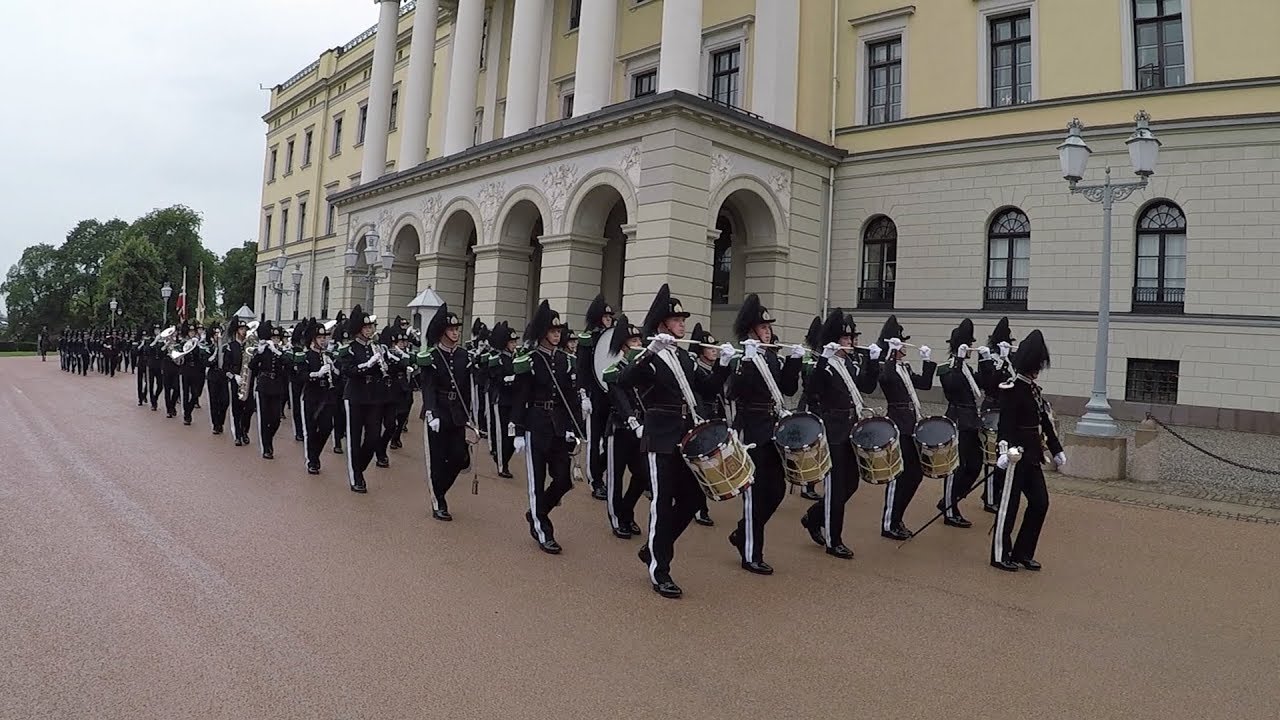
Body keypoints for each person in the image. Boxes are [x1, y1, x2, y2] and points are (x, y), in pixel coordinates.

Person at [620, 284, 733, 598]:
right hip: (660, 438)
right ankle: (660, 571)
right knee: (661, 502)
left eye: (683, 320)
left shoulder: (684, 357)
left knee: (694, 499)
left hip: (686, 438)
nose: (683, 324)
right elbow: (625, 380)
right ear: (662, 324)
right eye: (677, 320)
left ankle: (655, 547)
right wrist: (650, 352)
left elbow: (707, 389)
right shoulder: (648, 355)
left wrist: (724, 364)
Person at [726, 294, 803, 575]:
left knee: (777, 490)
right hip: (751, 428)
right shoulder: (742, 358)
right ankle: (751, 554)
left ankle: (742, 533)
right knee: (755, 494)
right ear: (751, 331)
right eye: (763, 327)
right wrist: (746, 362)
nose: (768, 331)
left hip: (772, 429)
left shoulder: (771, 356)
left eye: (769, 327)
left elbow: (788, 389)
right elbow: (734, 392)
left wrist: (794, 361)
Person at [799, 310, 881, 559]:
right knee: (835, 487)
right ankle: (834, 540)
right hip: (833, 430)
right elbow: (812, 391)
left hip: (852, 430)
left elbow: (867, 387)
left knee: (851, 483)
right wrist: (824, 360)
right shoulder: (825, 366)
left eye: (851, 338)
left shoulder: (850, 364)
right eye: (846, 338)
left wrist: (873, 362)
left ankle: (814, 516)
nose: (850, 342)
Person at [509, 300, 584, 555]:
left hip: (559, 426)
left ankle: (537, 512)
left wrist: (574, 427)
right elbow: (520, 397)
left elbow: (571, 398)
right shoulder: (530, 360)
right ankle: (544, 532)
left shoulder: (566, 360)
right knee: (537, 481)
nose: (557, 335)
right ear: (542, 333)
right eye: (552, 331)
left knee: (563, 480)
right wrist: (518, 431)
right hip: (536, 425)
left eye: (558, 331)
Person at [991, 329, 1064, 572]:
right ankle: (1000, 554)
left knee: (1040, 503)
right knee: (1008, 507)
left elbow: (1044, 423)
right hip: (1015, 454)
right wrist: (1003, 450)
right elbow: (1005, 424)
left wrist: (1056, 449)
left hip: (1032, 455)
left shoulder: (1034, 390)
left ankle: (1023, 552)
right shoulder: (1012, 388)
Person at [876, 315, 936, 541]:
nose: (904, 346)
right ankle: (889, 522)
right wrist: (890, 354)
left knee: (915, 474)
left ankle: (898, 516)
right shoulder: (885, 367)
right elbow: (887, 379)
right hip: (897, 424)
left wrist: (927, 361)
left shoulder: (905, 367)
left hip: (911, 423)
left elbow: (925, 384)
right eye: (900, 342)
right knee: (898, 475)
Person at [418, 304, 473, 521]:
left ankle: (439, 491)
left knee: (459, 457)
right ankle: (438, 501)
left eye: (457, 329)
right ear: (442, 333)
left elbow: (466, 389)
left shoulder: (463, 356)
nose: (455, 333)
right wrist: (431, 412)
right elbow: (428, 386)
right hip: (438, 411)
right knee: (438, 459)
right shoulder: (432, 356)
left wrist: (469, 416)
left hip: (456, 412)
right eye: (451, 330)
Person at [600, 316, 648, 539]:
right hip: (619, 429)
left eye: (639, 340)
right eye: (634, 341)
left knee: (643, 475)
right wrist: (631, 420)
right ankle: (616, 518)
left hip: (642, 429)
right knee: (615, 477)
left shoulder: (644, 370)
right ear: (624, 347)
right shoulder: (613, 371)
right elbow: (620, 400)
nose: (639, 344)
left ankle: (626, 510)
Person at [937, 318, 983, 529]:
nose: (971, 348)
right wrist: (957, 361)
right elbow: (952, 386)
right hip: (957, 420)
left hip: (971, 421)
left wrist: (988, 361)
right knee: (956, 467)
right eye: (969, 345)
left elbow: (985, 383)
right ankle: (949, 509)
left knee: (974, 465)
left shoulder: (967, 369)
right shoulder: (947, 368)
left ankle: (951, 499)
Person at [335, 305, 387, 493]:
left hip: (373, 395)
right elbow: (348, 371)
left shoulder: (376, 347)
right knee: (354, 438)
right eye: (366, 327)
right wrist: (367, 364)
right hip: (355, 396)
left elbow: (382, 371)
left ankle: (359, 466)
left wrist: (383, 363)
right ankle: (355, 476)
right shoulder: (349, 349)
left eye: (370, 327)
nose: (369, 330)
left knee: (373, 437)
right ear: (358, 329)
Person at [576, 295, 616, 502]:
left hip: (611, 394)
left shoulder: (613, 337)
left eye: (610, 317)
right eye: (605, 317)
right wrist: (583, 395)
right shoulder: (587, 338)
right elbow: (582, 369)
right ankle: (595, 481)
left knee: (610, 440)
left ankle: (601, 471)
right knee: (593, 440)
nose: (609, 320)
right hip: (594, 394)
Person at [977, 317, 1016, 513]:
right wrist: (1001, 363)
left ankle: (998, 492)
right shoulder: (988, 358)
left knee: (1006, 454)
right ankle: (990, 497)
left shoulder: (1010, 360)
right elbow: (990, 384)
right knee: (992, 456)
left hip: (1007, 409)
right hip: (992, 408)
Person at [687, 323, 723, 527]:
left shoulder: (711, 369)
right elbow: (708, 390)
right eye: (710, 348)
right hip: (701, 418)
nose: (714, 350)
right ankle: (699, 507)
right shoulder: (697, 370)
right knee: (700, 464)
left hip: (714, 418)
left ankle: (700, 504)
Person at [298, 318, 338, 475]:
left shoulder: (328, 355)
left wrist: (334, 369)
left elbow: (339, 377)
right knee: (311, 430)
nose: (323, 340)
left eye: (324, 337)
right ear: (313, 339)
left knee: (327, 427)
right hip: (311, 396)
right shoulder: (306, 356)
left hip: (326, 396)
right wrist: (317, 374)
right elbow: (301, 376)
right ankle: (312, 461)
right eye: (320, 338)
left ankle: (315, 454)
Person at [250, 323, 290, 460]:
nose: (275, 340)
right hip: (264, 386)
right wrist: (258, 354)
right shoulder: (263, 351)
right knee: (264, 418)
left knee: (276, 419)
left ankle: (269, 437)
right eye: (273, 338)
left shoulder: (282, 352)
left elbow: (288, 364)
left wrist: (277, 352)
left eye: (277, 338)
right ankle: (266, 447)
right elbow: (252, 366)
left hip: (277, 387)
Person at [486, 322, 518, 479]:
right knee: (502, 434)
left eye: (515, 342)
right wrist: (514, 378)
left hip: (514, 401)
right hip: (501, 400)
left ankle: (503, 458)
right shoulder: (498, 359)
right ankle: (501, 465)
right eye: (512, 342)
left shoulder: (516, 358)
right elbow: (498, 378)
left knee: (513, 436)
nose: (514, 345)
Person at [222, 319, 257, 447]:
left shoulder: (250, 346)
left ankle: (244, 431)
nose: (244, 332)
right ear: (237, 331)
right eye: (242, 329)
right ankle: (237, 435)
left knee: (249, 408)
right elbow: (225, 367)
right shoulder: (230, 346)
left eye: (245, 329)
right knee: (236, 409)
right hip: (236, 380)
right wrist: (234, 376)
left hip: (248, 380)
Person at [207, 324, 229, 435]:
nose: (218, 336)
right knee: (214, 401)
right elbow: (207, 362)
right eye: (216, 334)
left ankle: (221, 421)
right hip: (213, 375)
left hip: (223, 376)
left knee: (225, 401)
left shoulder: (225, 346)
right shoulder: (209, 347)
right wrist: (216, 351)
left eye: (219, 334)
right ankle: (216, 424)